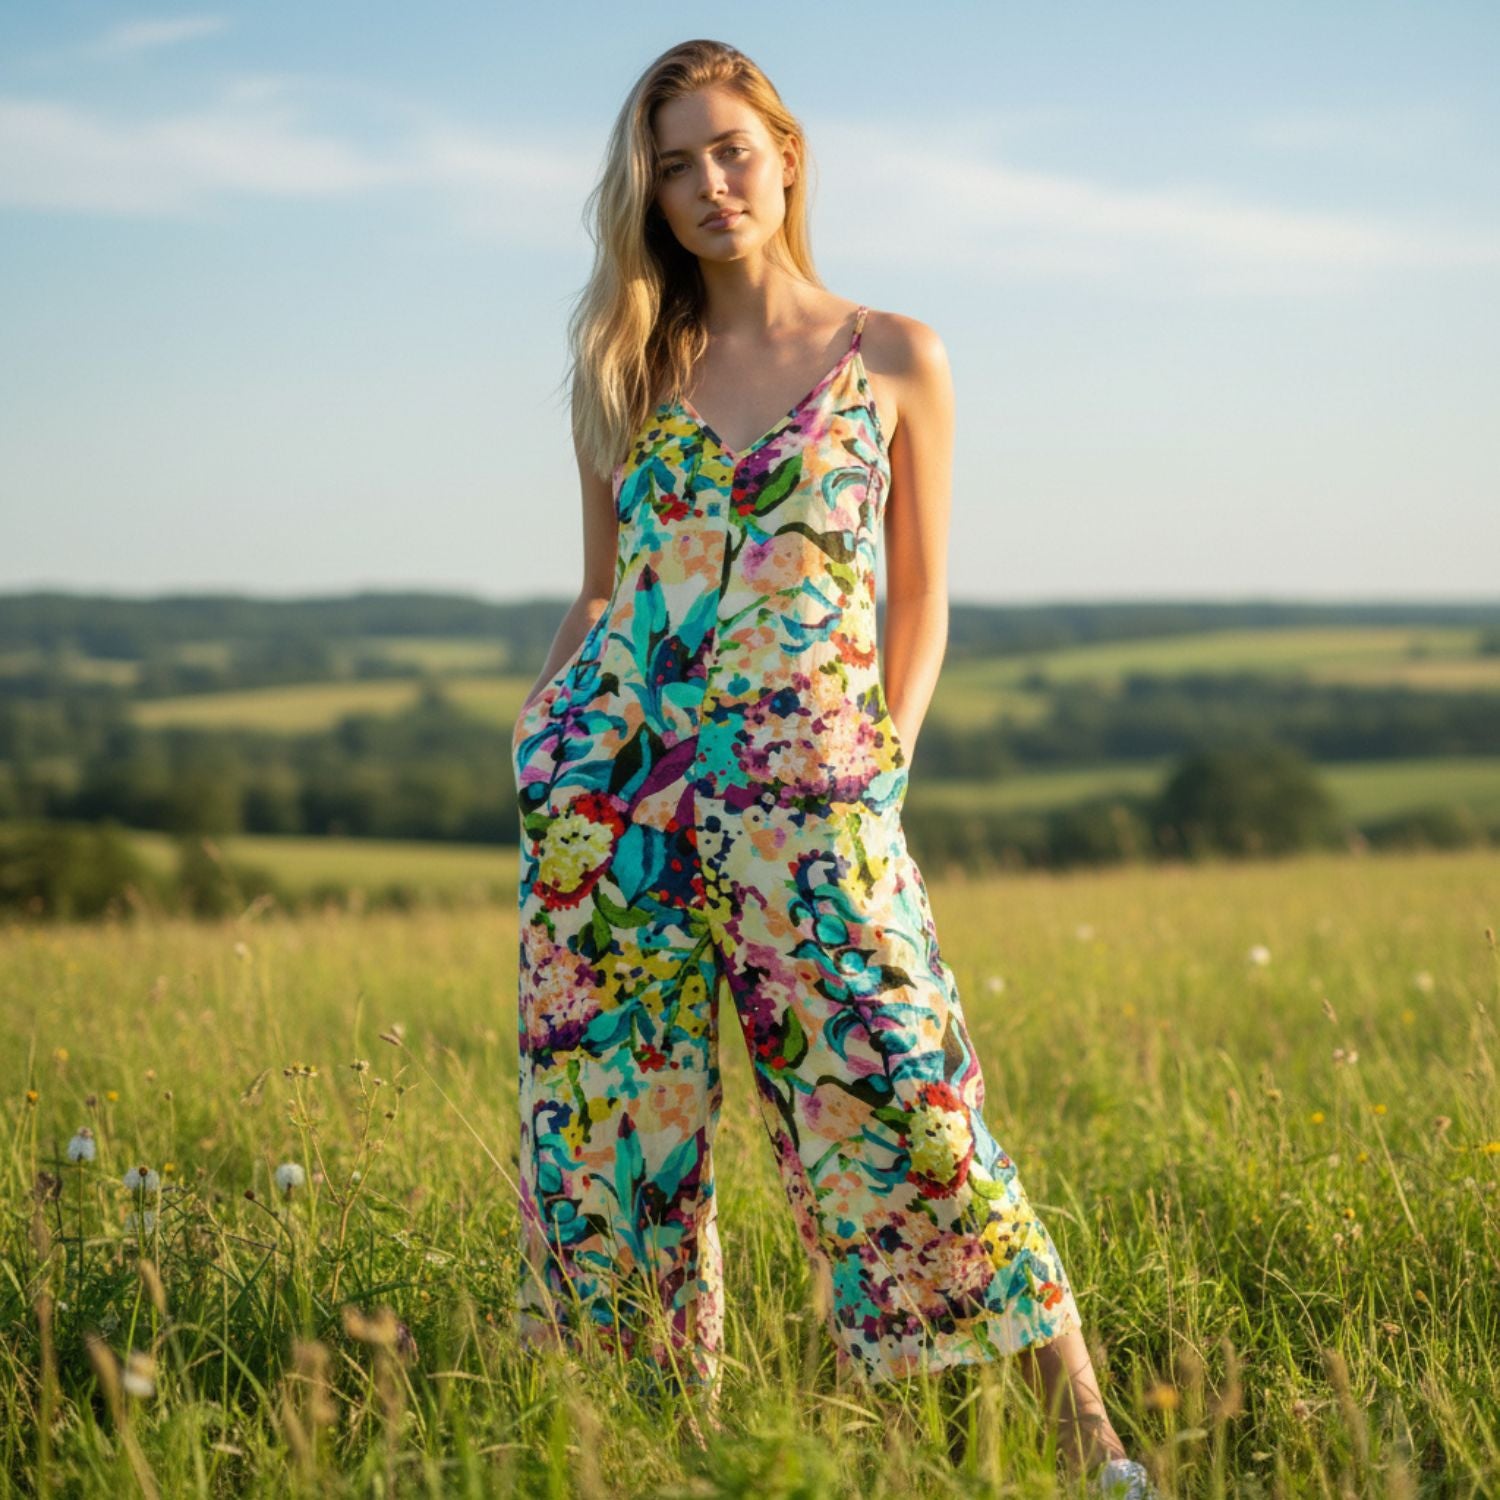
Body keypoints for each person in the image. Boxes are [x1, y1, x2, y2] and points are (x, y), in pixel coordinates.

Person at [509, 37, 1156, 1499]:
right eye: (671, 164)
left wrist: (883, 761)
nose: (705, 185)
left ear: (787, 154)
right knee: (616, 1140)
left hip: (815, 792)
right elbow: (601, 592)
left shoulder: (895, 354)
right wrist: (535, 735)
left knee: (908, 1086)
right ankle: (660, 1454)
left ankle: (1093, 1443)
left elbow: (920, 594)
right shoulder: (627, 363)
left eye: (728, 149)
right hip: (614, 809)